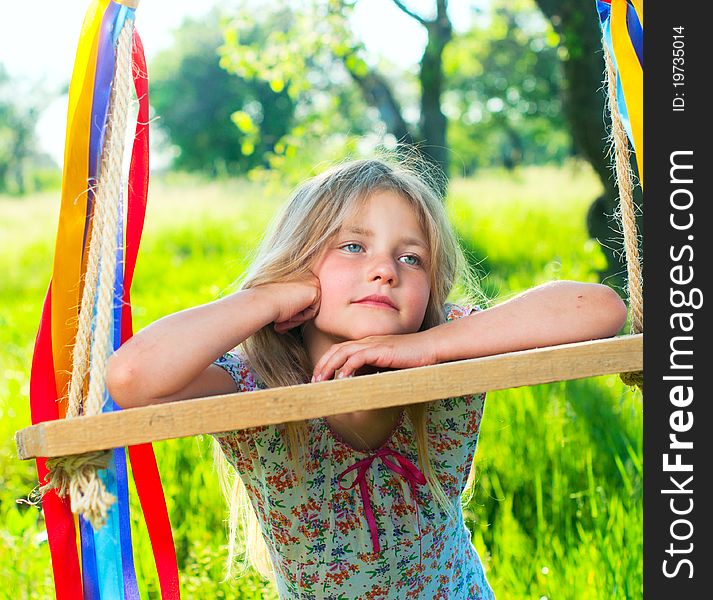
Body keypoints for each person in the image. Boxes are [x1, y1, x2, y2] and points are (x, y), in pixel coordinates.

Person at [107, 157, 628, 599]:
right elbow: (132, 376)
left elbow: (599, 308)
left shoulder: (448, 350)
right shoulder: (254, 382)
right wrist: (267, 297)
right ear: (297, 264)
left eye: (411, 258)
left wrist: (423, 346)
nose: (386, 270)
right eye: (353, 247)